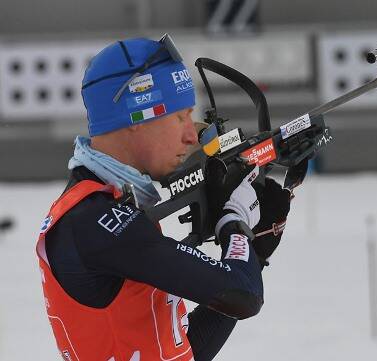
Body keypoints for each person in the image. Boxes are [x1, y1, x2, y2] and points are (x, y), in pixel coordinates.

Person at [35, 35, 291, 361]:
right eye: (180, 117)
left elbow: (180, 350)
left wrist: (252, 254)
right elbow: (243, 296)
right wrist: (234, 222)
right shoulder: (96, 223)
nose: (191, 135)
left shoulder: (109, 209)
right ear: (135, 119)